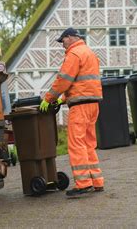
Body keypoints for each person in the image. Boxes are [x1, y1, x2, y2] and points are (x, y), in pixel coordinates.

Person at [39, 27, 104, 197]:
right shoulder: (90, 53)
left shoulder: (74, 54)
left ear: (70, 37)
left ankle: (83, 184)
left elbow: (64, 80)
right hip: (92, 105)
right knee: (89, 144)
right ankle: (97, 181)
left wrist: (49, 99)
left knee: (76, 144)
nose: (62, 45)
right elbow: (84, 83)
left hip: (80, 108)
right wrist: (64, 99)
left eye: (63, 41)